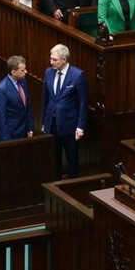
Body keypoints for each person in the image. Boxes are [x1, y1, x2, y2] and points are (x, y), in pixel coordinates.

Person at [42, 44, 88, 178]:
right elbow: (45, 98)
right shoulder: (48, 72)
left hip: (70, 126)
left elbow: (83, 103)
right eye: (51, 59)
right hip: (52, 123)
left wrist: (80, 126)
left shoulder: (78, 75)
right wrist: (45, 121)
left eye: (54, 59)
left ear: (64, 59)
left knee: (72, 159)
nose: (51, 62)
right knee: (54, 159)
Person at [0, 56, 34, 141]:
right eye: (22, 70)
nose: (26, 72)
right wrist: (6, 139)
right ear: (13, 72)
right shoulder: (2, 89)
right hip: (10, 134)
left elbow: (27, 106)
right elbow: (1, 117)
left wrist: (30, 127)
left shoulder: (23, 82)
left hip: (24, 131)